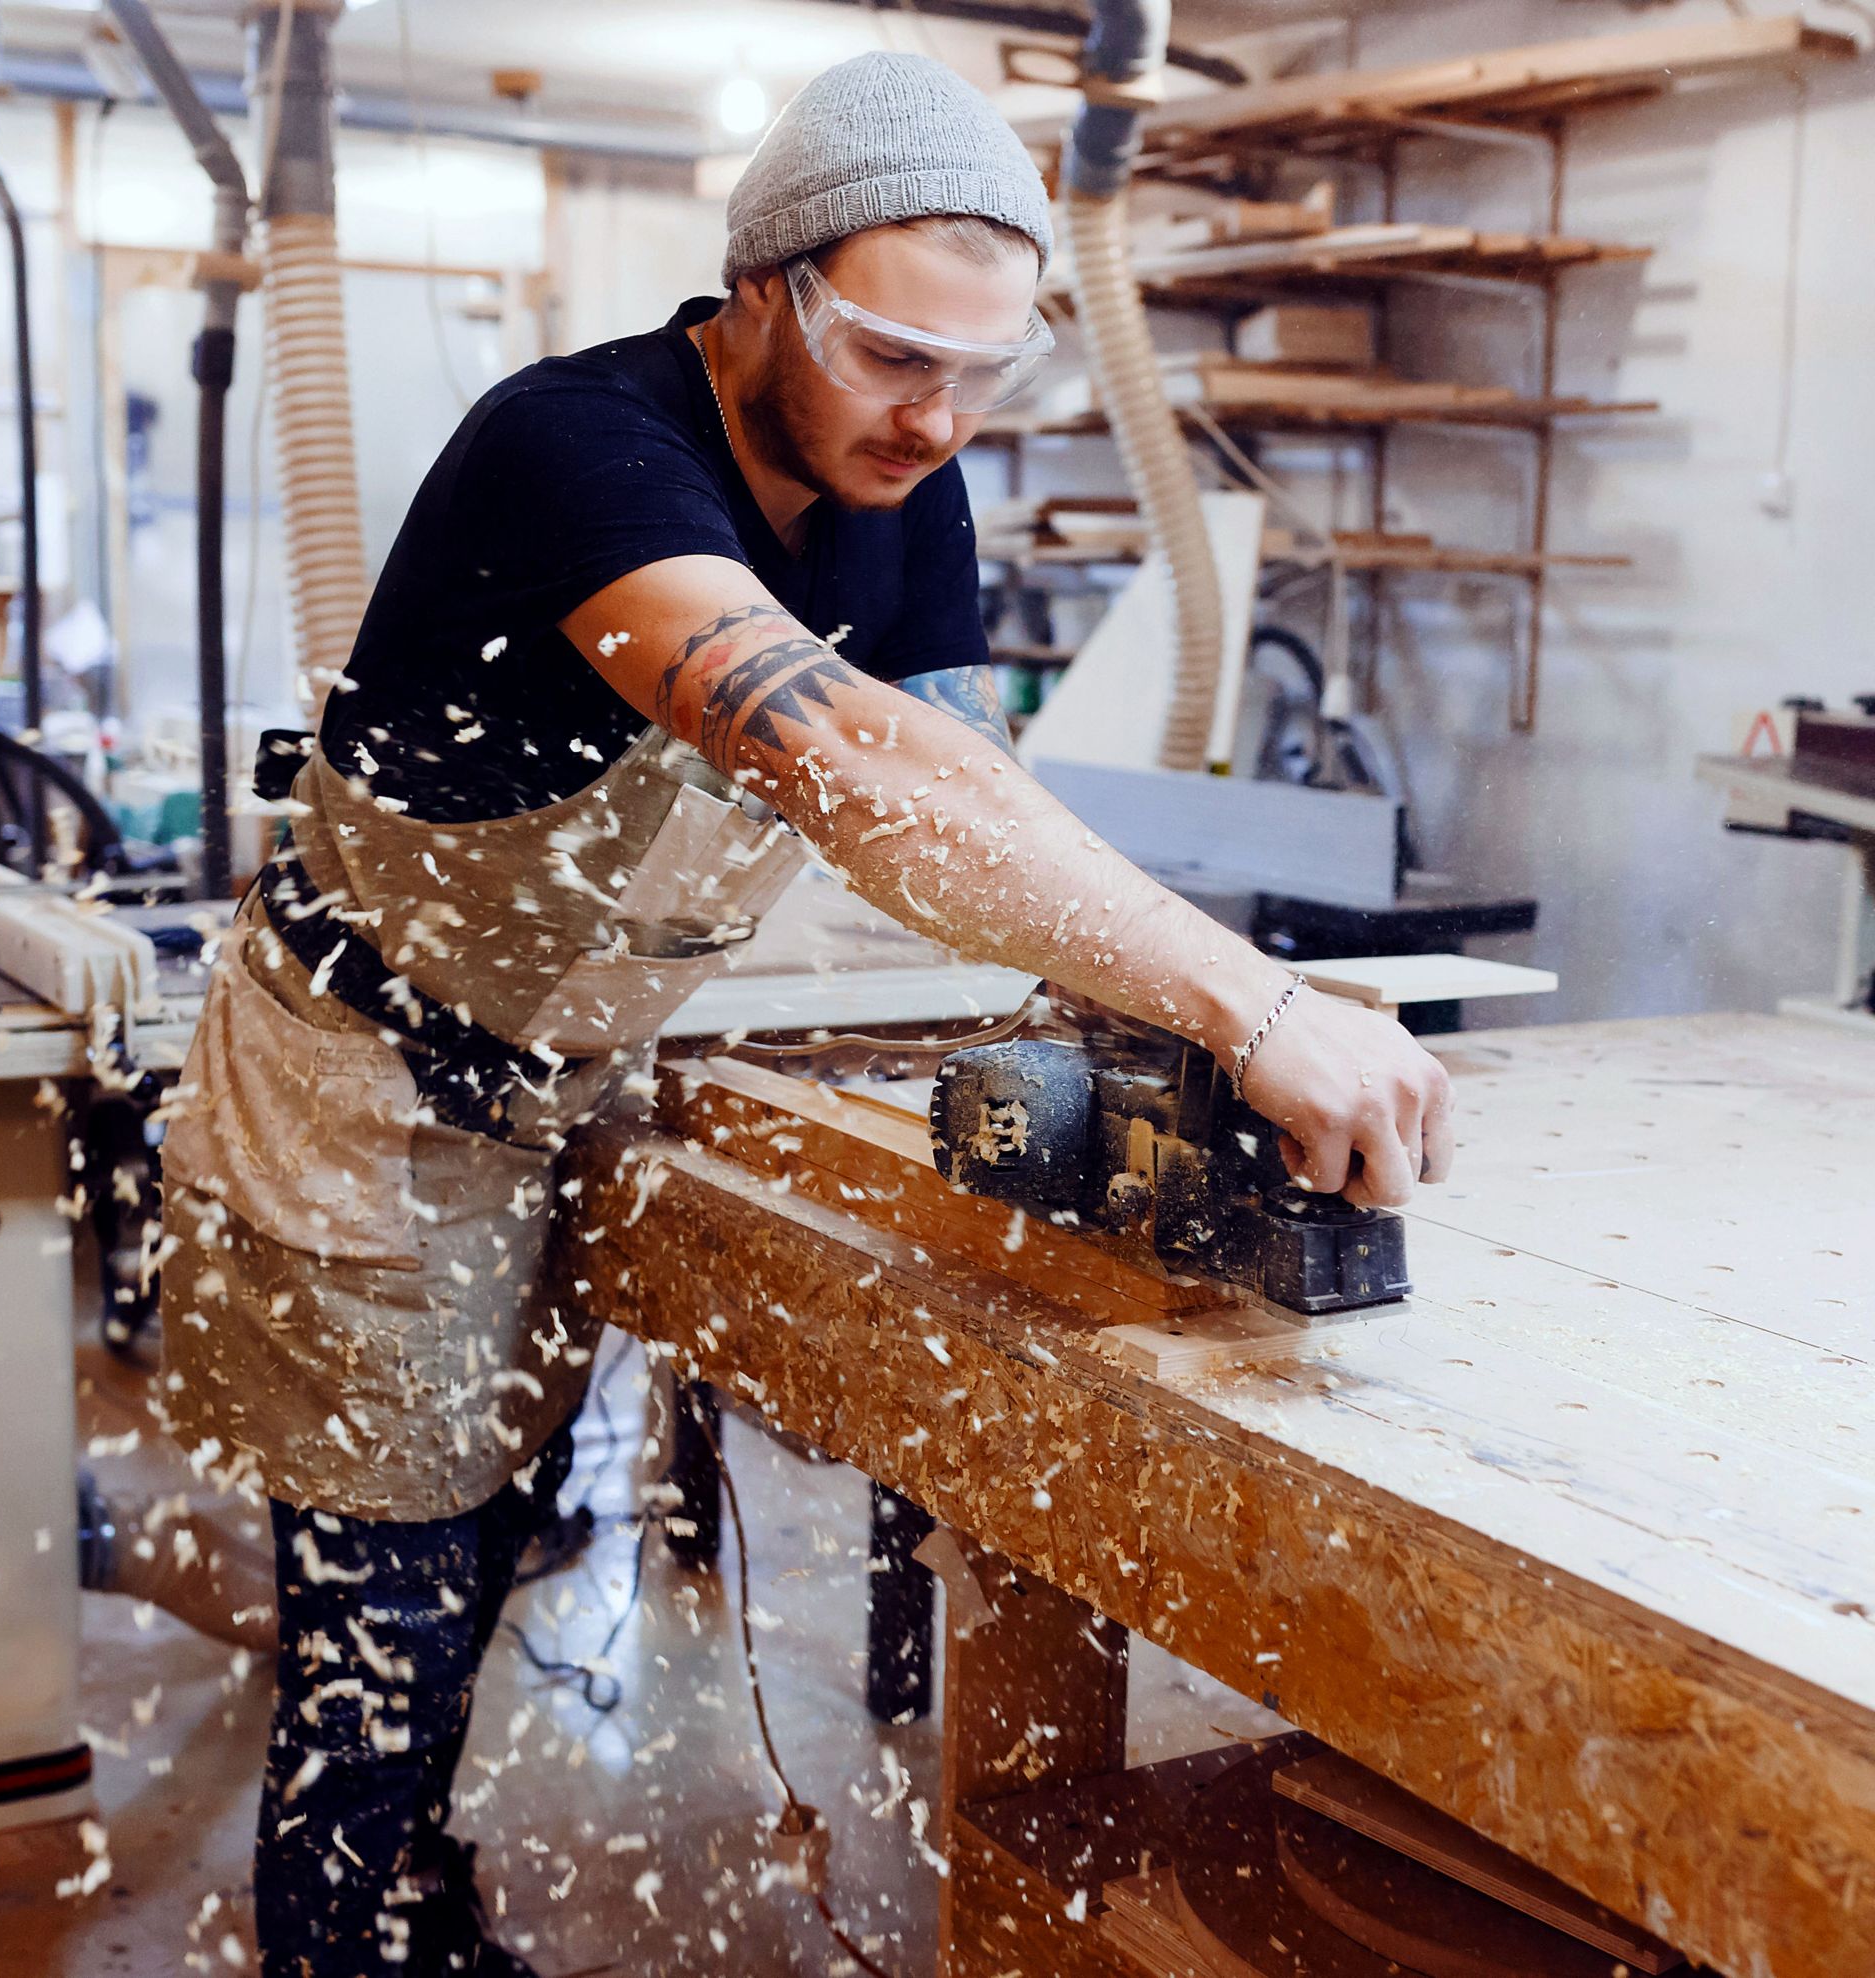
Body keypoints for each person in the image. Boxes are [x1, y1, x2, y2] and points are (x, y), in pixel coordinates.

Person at [157, 49, 1453, 1978]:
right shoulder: (582, 450)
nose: (936, 422)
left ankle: (415, 1911)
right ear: (759, 286)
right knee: (384, 1631)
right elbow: (855, 762)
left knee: (496, 1545)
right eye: (890, 359)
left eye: (982, 375)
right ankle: (347, 1936)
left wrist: (1156, 1029)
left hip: (569, 1076)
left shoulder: (897, 476)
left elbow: (973, 780)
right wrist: (1251, 997)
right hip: (366, 1089)